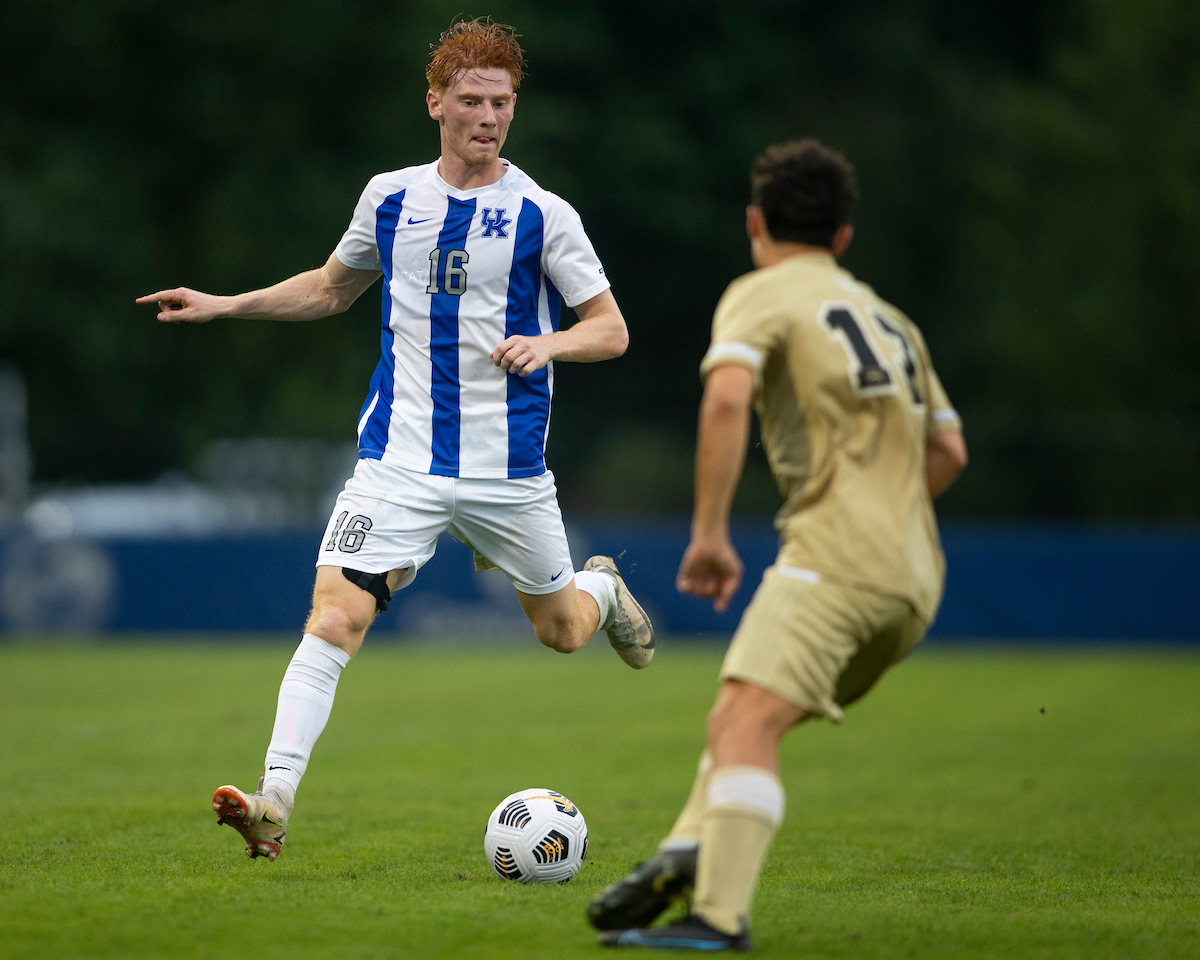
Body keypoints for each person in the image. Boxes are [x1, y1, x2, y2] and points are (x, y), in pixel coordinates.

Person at [135, 18, 654, 862]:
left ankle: (601, 592)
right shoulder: (391, 197)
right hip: (398, 463)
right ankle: (273, 799)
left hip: (507, 469)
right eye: (474, 101)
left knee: (560, 631)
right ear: (435, 102)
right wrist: (227, 303)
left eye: (504, 103)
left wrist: (550, 343)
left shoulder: (543, 215)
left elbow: (612, 330)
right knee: (335, 617)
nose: (490, 118)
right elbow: (332, 289)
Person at [587, 139, 967, 951]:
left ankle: (717, 920)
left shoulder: (760, 295)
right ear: (844, 238)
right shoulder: (892, 320)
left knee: (742, 721)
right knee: (744, 717)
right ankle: (687, 847)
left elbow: (726, 398)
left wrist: (710, 535)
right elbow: (949, 454)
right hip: (915, 581)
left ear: (755, 223)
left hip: (835, 562)